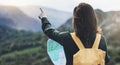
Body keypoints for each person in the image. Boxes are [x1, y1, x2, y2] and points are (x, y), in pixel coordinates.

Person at [39, 3, 110, 65]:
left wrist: (44, 18)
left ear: (76, 21)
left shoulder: (67, 38)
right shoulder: (101, 39)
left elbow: (50, 31)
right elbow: (106, 60)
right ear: (93, 19)